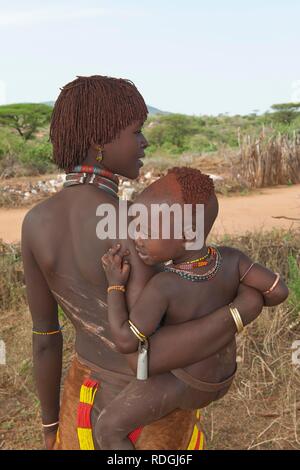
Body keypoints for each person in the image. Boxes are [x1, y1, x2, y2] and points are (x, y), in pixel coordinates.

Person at [22, 75, 265, 450]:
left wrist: (51, 424)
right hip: (151, 410)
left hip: (81, 405)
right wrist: (241, 310)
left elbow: (44, 339)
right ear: (98, 140)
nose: (144, 142)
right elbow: (187, 322)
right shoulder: (142, 227)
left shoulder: (34, 223)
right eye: (136, 131)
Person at [97, 166, 289, 449]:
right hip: (222, 377)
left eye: (147, 230)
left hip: (184, 384)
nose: (137, 237)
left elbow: (127, 340)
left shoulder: (164, 286)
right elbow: (277, 291)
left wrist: (114, 284)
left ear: (188, 235)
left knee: (107, 429)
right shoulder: (232, 260)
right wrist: (247, 301)